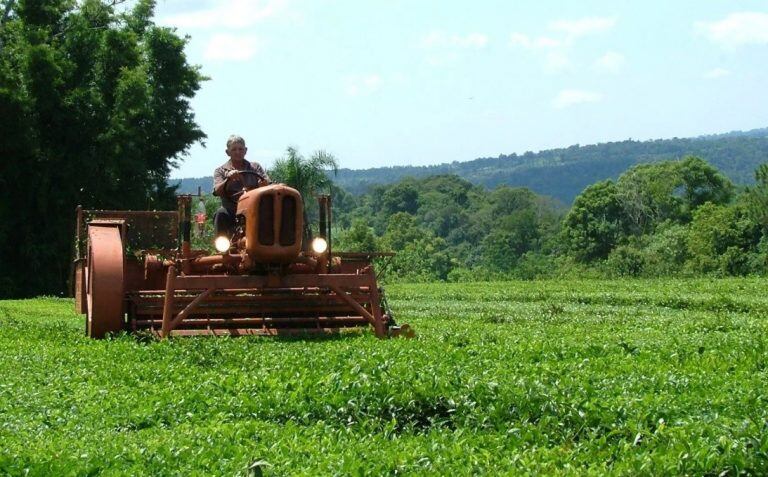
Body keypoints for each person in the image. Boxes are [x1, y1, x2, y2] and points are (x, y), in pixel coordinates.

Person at [212, 135, 270, 237]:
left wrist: (264, 185)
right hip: (232, 210)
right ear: (227, 152)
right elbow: (217, 191)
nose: (238, 152)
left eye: (240, 149)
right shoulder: (220, 171)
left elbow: (268, 184)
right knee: (220, 214)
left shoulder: (255, 167)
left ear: (245, 150)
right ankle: (222, 248)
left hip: (255, 209)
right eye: (234, 149)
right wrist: (228, 180)